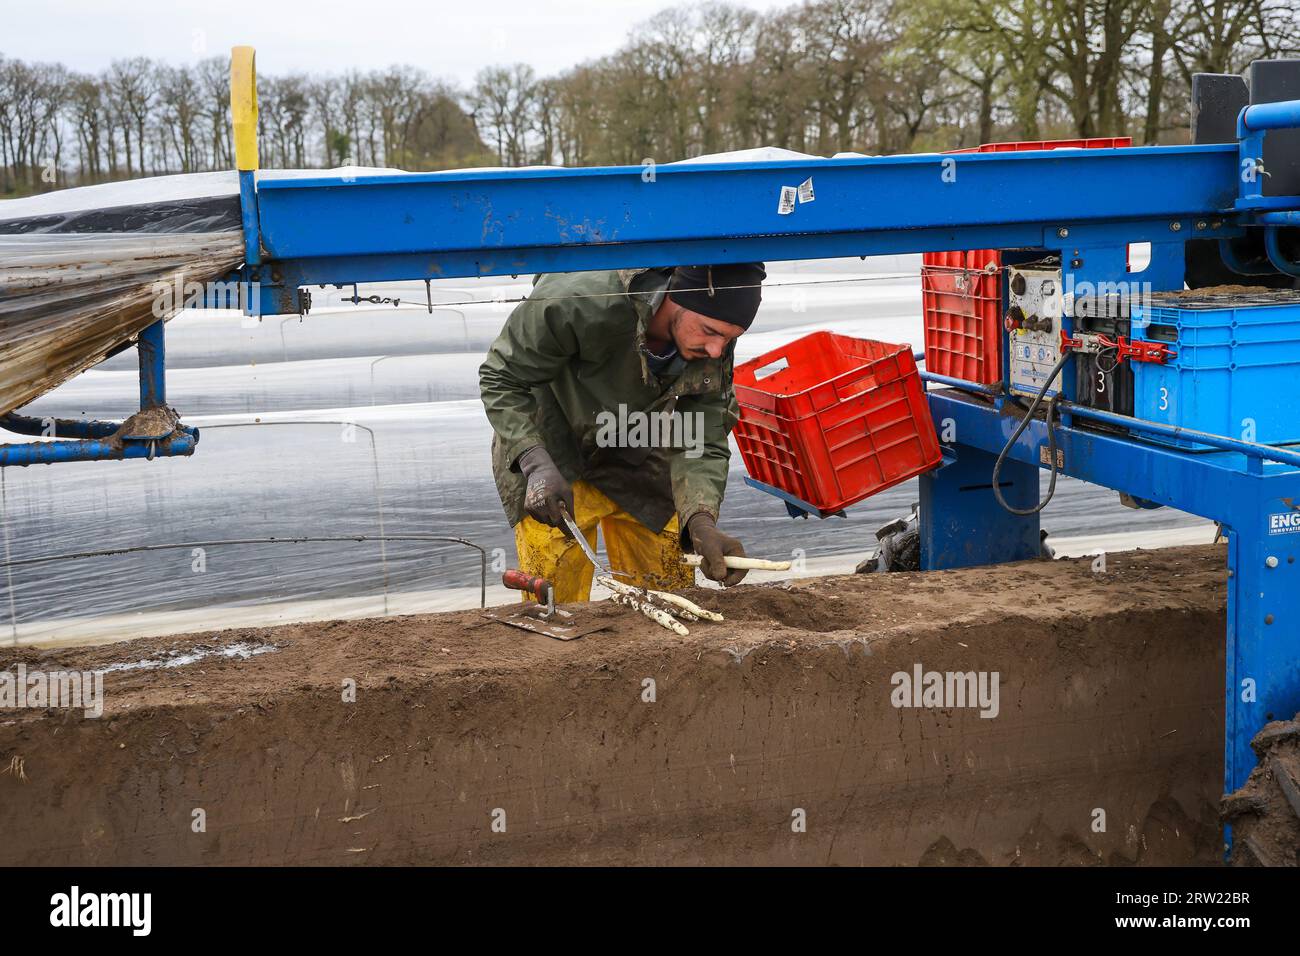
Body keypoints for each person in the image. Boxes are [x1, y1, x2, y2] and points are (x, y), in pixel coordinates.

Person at [479, 262, 765, 602]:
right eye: (710, 331)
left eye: (730, 338)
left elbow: (702, 433)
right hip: (554, 449)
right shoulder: (578, 299)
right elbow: (501, 377)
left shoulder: (714, 341)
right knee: (557, 606)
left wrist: (700, 520)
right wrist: (533, 461)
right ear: (675, 297)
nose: (717, 350)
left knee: (671, 598)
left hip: (637, 446)